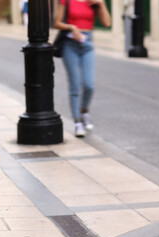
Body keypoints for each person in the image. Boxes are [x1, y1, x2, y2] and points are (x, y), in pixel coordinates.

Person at [54, 0, 111, 137]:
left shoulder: (93, 1)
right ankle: (78, 122)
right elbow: (57, 23)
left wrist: (102, 4)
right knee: (75, 85)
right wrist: (72, 27)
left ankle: (84, 110)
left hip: (87, 44)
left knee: (89, 85)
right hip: (70, 44)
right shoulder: (66, 1)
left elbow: (107, 23)